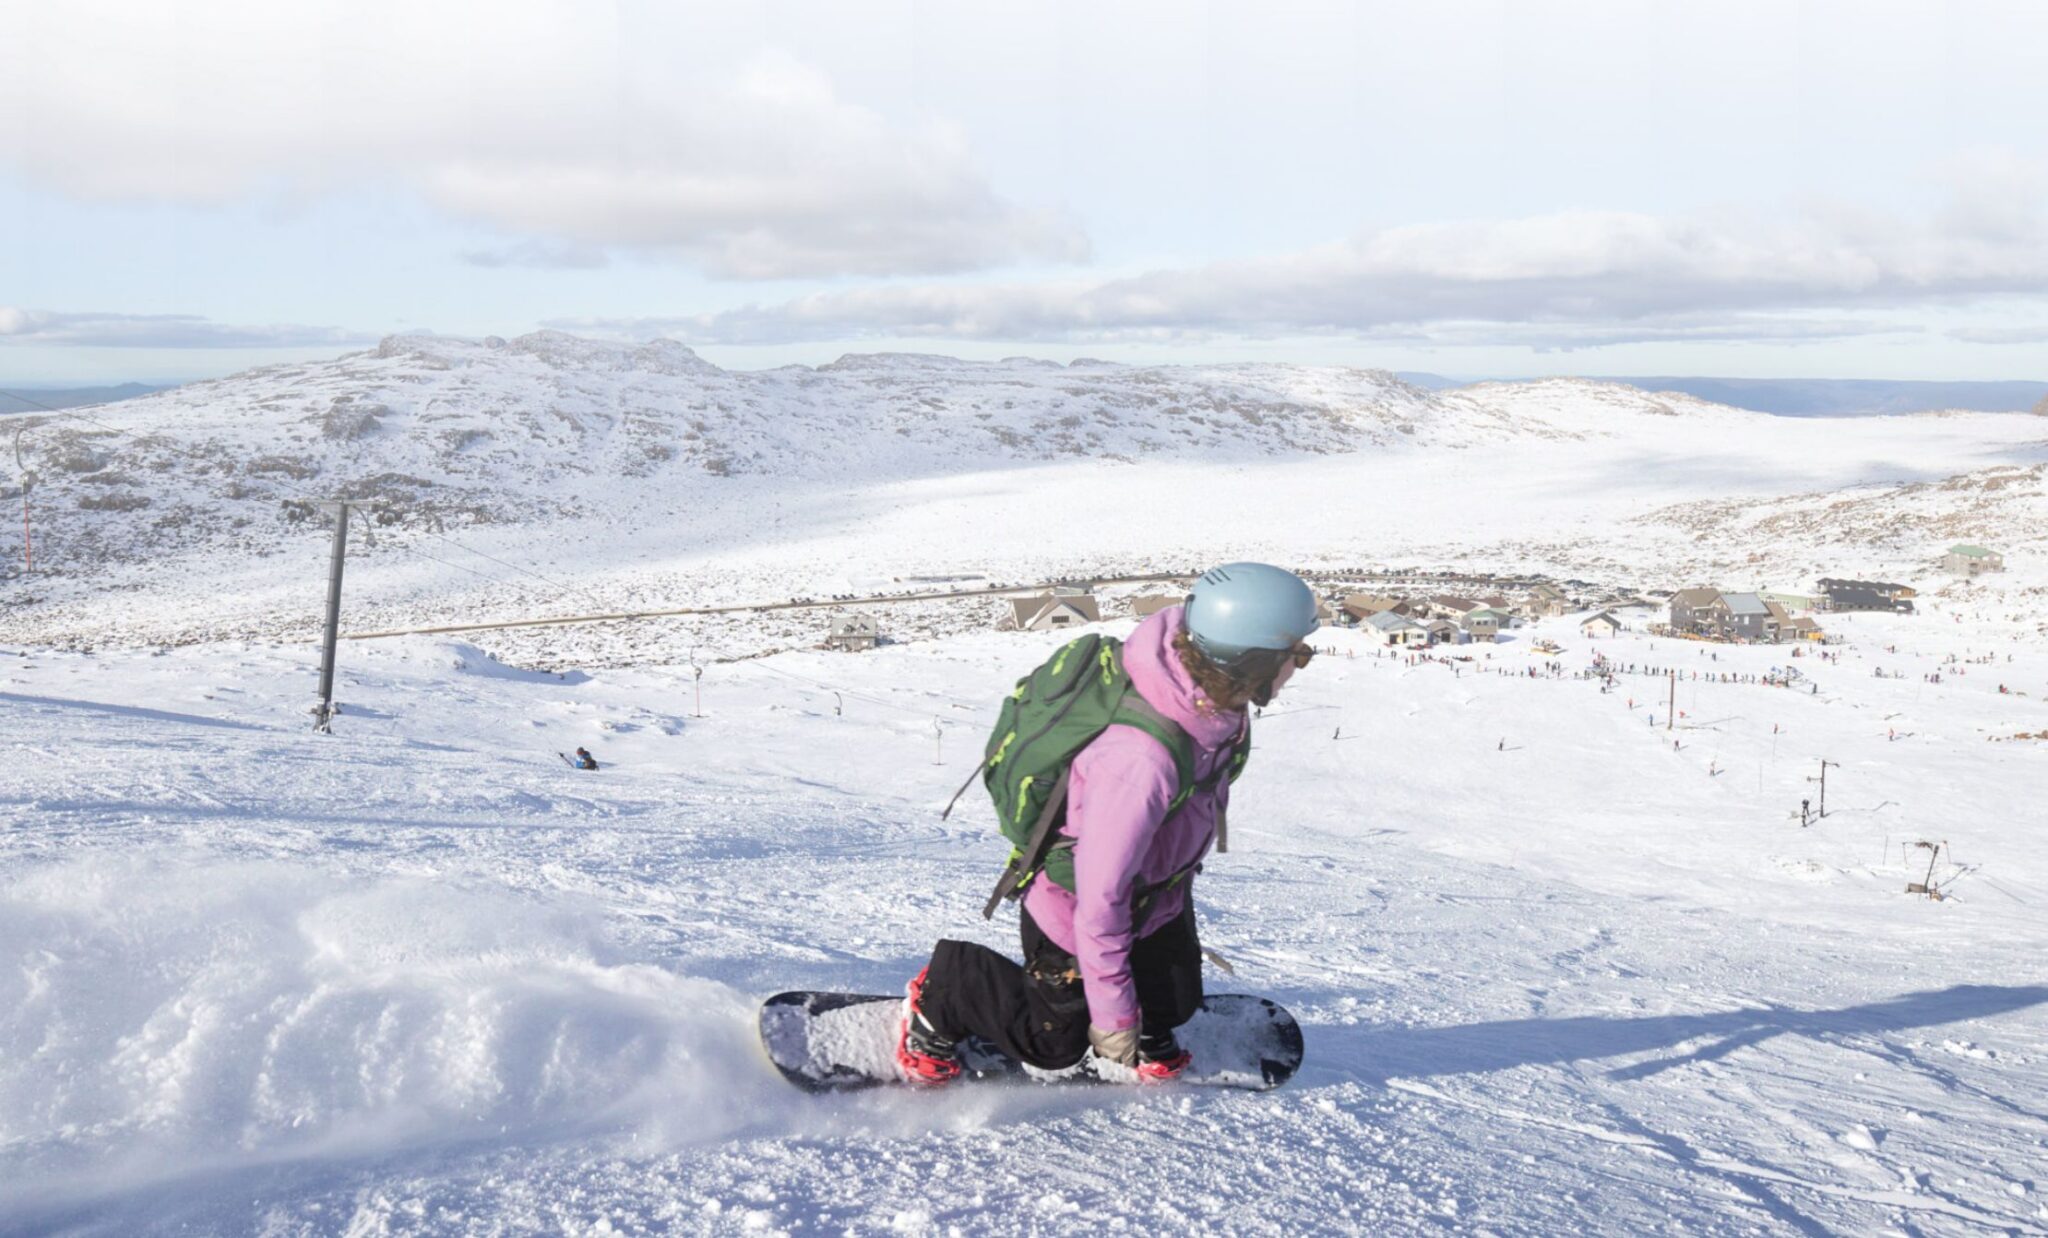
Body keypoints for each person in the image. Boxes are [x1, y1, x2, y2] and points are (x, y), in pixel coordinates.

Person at [896, 563, 1320, 1086]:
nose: (1301, 665)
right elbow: (1100, 903)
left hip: (1156, 894)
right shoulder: (1140, 761)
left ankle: (1149, 1021)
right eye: (1296, 654)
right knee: (1053, 1045)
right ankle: (946, 993)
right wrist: (1115, 1022)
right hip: (1075, 908)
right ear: (1250, 661)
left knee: (1176, 1001)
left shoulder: (1207, 699)